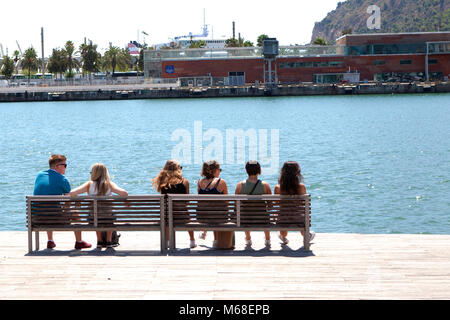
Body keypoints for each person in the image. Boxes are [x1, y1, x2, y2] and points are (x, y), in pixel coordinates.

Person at [33, 154, 91, 250]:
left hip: (37, 218)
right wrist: (67, 209)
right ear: (57, 166)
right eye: (64, 165)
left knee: (49, 208)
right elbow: (68, 201)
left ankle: (50, 240)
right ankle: (79, 242)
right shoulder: (62, 179)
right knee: (75, 213)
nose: (65, 167)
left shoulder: (39, 175)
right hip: (54, 218)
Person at [69, 163, 128, 249]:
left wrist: (78, 200)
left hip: (93, 218)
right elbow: (124, 193)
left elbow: (72, 193)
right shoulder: (109, 184)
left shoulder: (89, 184)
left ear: (94, 173)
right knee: (110, 216)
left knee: (95, 216)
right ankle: (108, 241)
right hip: (108, 218)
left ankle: (99, 241)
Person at [151, 160, 196, 249]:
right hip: (182, 216)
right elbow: (187, 201)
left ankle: (167, 241)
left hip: (167, 216)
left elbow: (163, 199)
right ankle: (192, 240)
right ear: (178, 170)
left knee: (167, 216)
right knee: (187, 214)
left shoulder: (163, 183)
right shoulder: (185, 182)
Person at [274, 161, 315, 245]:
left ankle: (283, 237)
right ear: (297, 173)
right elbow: (303, 203)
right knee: (299, 215)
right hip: (298, 218)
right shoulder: (301, 187)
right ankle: (307, 235)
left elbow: (276, 203)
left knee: (282, 214)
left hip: (283, 219)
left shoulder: (278, 187)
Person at [235, 160, 272, 248]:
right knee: (265, 213)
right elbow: (270, 205)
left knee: (245, 212)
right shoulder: (265, 185)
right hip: (262, 219)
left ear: (246, 170)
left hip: (246, 219)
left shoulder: (240, 185)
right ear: (259, 170)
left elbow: (236, 204)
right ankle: (267, 239)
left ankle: (248, 239)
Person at [197, 160, 230, 249]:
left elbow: (201, 201)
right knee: (217, 212)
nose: (220, 171)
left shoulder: (200, 182)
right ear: (215, 170)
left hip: (202, 216)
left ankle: (205, 230)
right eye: (219, 169)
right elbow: (227, 201)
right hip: (218, 216)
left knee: (211, 210)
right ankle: (216, 240)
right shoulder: (221, 182)